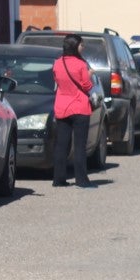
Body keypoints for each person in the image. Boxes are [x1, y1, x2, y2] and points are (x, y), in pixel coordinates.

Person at [51, 34, 95, 189]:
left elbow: (57, 81)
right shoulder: (81, 65)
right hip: (79, 107)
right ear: (75, 46)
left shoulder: (57, 63)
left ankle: (58, 179)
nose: (83, 48)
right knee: (79, 146)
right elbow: (87, 86)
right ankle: (81, 180)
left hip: (62, 106)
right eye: (82, 45)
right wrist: (90, 75)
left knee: (61, 145)